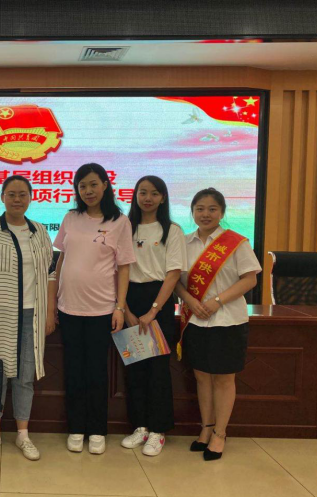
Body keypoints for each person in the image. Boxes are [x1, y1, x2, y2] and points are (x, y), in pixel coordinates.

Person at [0, 175, 56, 461]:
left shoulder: (39, 231)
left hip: (32, 316)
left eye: (22, 194)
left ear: (30, 197)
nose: (17, 199)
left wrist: (49, 312)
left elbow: (50, 274)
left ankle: (22, 434)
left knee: (25, 377)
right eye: (11, 194)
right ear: (2, 197)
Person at [53, 163, 136, 455]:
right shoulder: (71, 218)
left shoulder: (119, 222)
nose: (88, 191)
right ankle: (76, 427)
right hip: (69, 308)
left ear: (105, 185)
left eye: (93, 184)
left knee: (98, 372)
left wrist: (120, 307)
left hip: (102, 309)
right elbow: (62, 260)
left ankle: (98, 429)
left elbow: (123, 268)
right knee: (74, 370)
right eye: (82, 186)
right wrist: (55, 298)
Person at [175, 188, 261, 461]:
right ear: (192, 212)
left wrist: (217, 301)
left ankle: (220, 434)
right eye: (200, 209)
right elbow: (176, 281)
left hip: (228, 320)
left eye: (212, 209)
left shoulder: (236, 243)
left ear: (222, 212)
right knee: (202, 376)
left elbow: (250, 279)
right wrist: (190, 300)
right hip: (195, 321)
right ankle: (206, 428)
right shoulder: (183, 243)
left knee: (223, 378)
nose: (206, 214)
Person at [120, 176, 187, 457]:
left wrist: (153, 311)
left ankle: (158, 430)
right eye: (143, 192)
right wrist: (125, 309)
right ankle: (141, 426)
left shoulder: (172, 230)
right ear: (135, 195)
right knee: (134, 368)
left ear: (163, 197)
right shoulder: (125, 227)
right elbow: (118, 270)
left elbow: (173, 274)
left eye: (154, 193)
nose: (148, 198)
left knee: (158, 369)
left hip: (158, 300)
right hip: (129, 298)